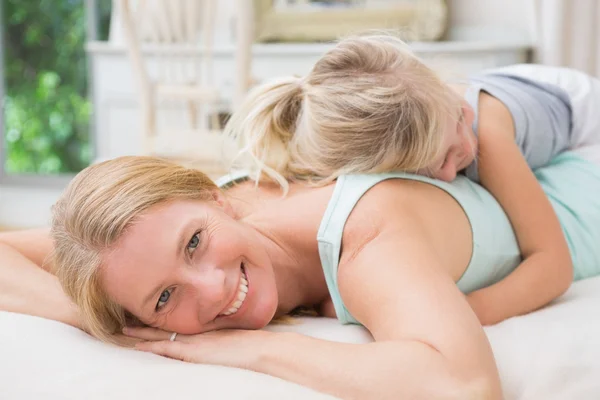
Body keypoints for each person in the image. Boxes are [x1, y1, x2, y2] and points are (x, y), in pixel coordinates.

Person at [3, 143, 600, 398]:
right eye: (164, 299)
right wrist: (102, 318)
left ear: (217, 197)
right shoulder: (128, 250)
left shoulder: (363, 240)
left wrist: (249, 350)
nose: (211, 288)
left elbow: (464, 386)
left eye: (195, 243)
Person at [224, 34, 600, 325]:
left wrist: (467, 310)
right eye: (434, 168)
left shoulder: (486, 134)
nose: (454, 171)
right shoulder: (374, 152)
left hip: (578, 105)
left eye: (458, 121)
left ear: (442, 87)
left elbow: (554, 266)